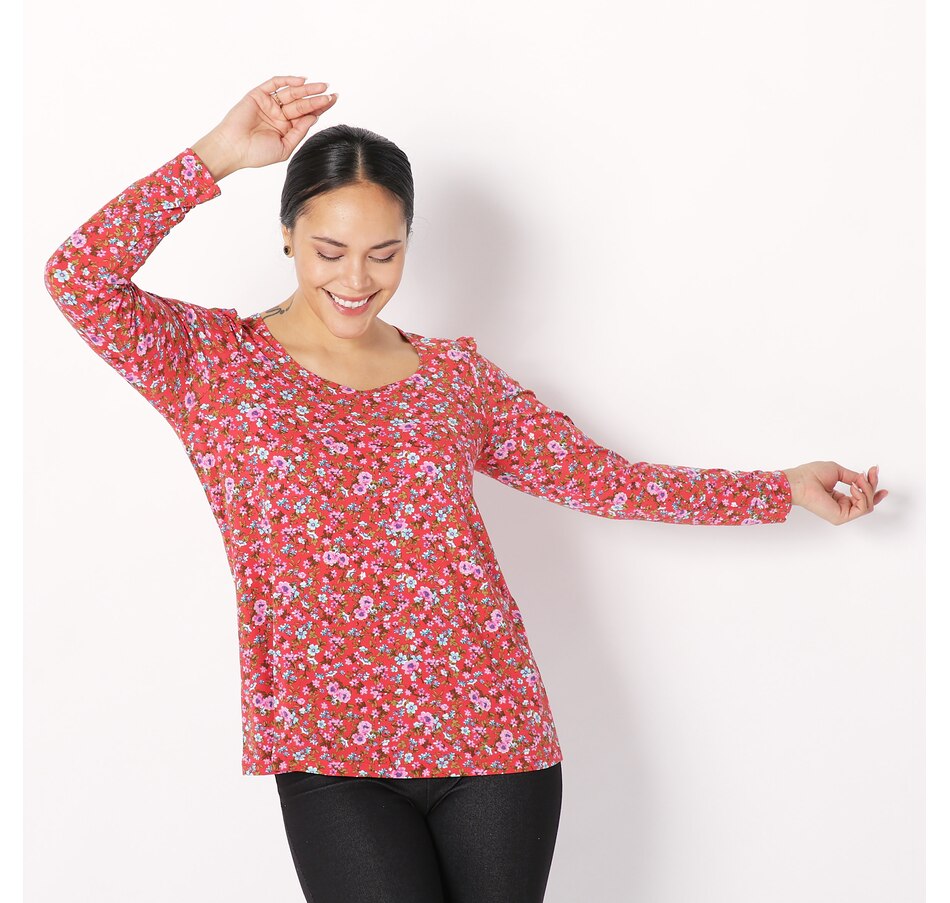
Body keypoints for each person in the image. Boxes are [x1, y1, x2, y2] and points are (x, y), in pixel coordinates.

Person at [42, 74, 887, 903]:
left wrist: (780, 489)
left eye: (384, 253)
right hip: (331, 754)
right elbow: (78, 277)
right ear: (288, 236)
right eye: (330, 251)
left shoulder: (452, 378)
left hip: (494, 734)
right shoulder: (215, 366)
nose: (356, 279)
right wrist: (219, 153)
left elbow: (605, 480)